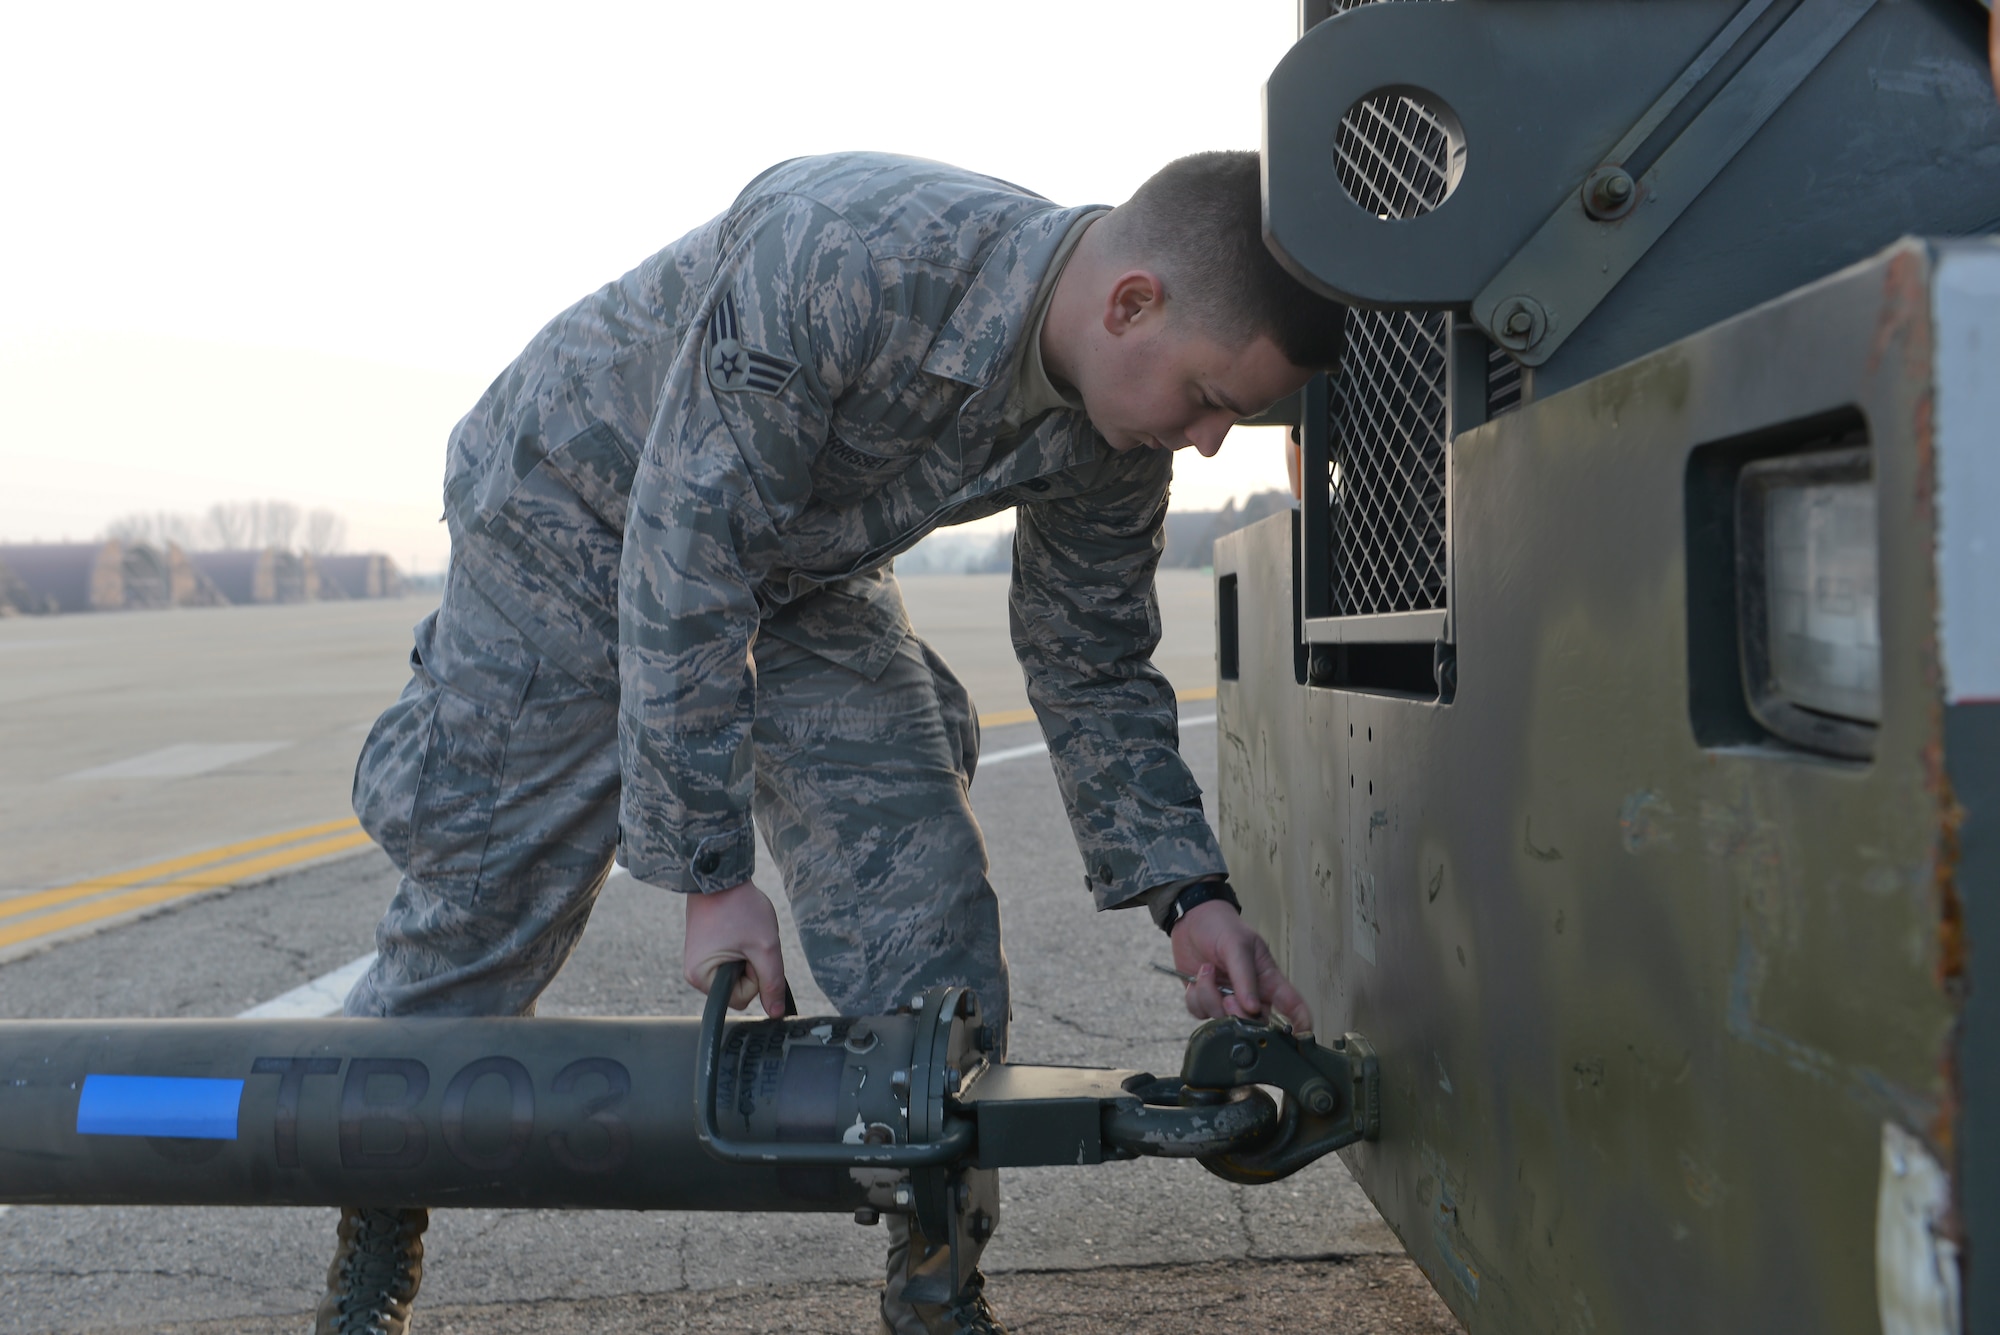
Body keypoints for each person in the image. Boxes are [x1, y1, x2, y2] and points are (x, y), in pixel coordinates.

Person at [320, 148, 1345, 1335]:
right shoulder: (847, 255)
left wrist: (1191, 896)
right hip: (569, 517)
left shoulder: (1121, 431)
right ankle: (374, 1230)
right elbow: (682, 557)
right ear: (1131, 304)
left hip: (797, 568)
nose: (1211, 439)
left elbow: (1091, 658)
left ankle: (934, 1281)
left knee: (925, 906)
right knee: (481, 914)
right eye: (1213, 398)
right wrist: (711, 877)